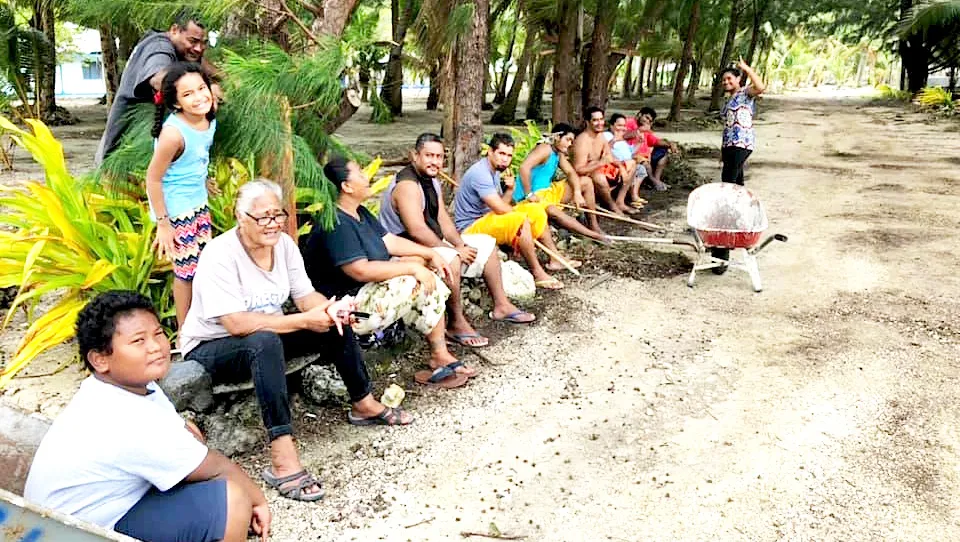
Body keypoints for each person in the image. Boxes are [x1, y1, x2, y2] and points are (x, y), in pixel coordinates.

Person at [181, 179, 413, 503]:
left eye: (277, 215)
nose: (272, 224)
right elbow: (236, 324)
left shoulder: (285, 245)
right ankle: (282, 457)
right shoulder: (220, 254)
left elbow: (305, 297)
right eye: (263, 217)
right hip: (212, 349)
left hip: (265, 338)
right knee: (263, 341)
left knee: (332, 322)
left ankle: (363, 403)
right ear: (240, 216)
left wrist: (330, 309)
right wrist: (304, 320)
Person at [24, 291, 271, 542]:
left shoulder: (127, 387)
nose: (155, 347)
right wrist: (257, 499)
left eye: (158, 334)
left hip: (99, 514)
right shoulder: (125, 418)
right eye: (138, 341)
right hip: (74, 533)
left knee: (191, 436)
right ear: (100, 359)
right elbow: (214, 466)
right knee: (233, 499)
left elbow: (186, 434)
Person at [302, 155, 475, 389]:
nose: (367, 178)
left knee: (425, 271)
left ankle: (439, 353)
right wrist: (414, 267)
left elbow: (388, 241)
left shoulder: (360, 212)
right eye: (360, 174)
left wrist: (430, 253)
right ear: (346, 186)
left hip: (368, 295)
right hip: (349, 313)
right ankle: (426, 347)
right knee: (412, 279)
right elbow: (360, 270)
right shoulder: (336, 223)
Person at [380, 133, 536, 340]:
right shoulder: (407, 185)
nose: (435, 161)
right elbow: (417, 229)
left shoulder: (431, 179)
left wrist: (460, 244)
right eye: (429, 156)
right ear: (415, 156)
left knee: (485, 245)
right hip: (406, 249)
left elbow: (443, 219)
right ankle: (456, 322)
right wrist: (453, 250)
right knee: (451, 258)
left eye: (439, 157)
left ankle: (501, 305)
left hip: (429, 242)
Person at [145, 62, 217, 331]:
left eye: (201, 88)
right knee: (186, 273)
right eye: (188, 94)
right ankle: (187, 331)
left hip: (197, 202)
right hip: (176, 210)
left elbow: (194, 158)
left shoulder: (207, 116)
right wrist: (164, 224)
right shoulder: (173, 135)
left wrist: (204, 179)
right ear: (175, 103)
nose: (199, 97)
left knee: (202, 266)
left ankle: (202, 320)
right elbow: (152, 178)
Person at [95, 12, 219, 165]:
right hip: (122, 155)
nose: (198, 48)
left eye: (203, 43)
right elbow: (158, 79)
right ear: (174, 30)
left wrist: (228, 80)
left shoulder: (184, 50)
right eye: (192, 41)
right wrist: (205, 90)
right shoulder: (159, 47)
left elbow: (204, 65)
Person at [454, 133, 566, 290]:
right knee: (520, 219)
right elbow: (500, 208)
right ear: (490, 152)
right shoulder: (480, 173)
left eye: (508, 155)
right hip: (471, 227)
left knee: (535, 209)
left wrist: (511, 189)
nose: (505, 159)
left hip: (489, 218)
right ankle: (537, 272)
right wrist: (518, 214)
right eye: (501, 153)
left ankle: (554, 258)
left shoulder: (494, 170)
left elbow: (500, 204)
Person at [517, 123, 611, 240]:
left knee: (586, 182)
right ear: (557, 137)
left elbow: (571, 172)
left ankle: (594, 225)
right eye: (568, 139)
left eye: (571, 141)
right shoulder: (544, 149)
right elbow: (524, 167)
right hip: (530, 197)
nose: (570, 144)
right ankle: (594, 235)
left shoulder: (557, 153)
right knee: (553, 211)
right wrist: (529, 194)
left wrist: (577, 193)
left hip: (548, 192)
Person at [573, 106, 636, 216]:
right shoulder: (582, 141)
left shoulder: (601, 135)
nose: (599, 123)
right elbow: (578, 169)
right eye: (595, 120)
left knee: (632, 163)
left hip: (603, 168)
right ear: (587, 122)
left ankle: (620, 201)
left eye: (601, 119)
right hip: (590, 173)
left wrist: (621, 167)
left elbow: (609, 156)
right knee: (599, 177)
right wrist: (600, 163)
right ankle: (612, 207)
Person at [720, 59, 765, 186]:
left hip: (741, 143)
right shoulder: (728, 100)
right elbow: (728, 126)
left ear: (738, 79)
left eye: (729, 78)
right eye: (723, 80)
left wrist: (747, 69)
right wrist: (722, 151)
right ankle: (742, 204)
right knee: (736, 180)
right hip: (729, 145)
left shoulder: (745, 93)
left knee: (728, 179)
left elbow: (760, 88)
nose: (726, 82)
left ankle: (730, 205)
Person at [624, 107, 679, 191]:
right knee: (646, 163)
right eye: (646, 117)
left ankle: (657, 180)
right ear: (639, 114)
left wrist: (670, 144)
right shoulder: (629, 122)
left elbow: (654, 141)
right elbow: (623, 136)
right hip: (632, 155)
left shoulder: (645, 128)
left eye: (650, 120)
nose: (647, 121)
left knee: (663, 152)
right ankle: (653, 181)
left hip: (646, 156)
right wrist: (640, 130)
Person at [603, 113, 639, 208]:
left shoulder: (623, 140)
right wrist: (615, 139)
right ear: (611, 126)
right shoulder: (606, 135)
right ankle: (621, 201)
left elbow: (630, 152)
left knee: (638, 166)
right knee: (634, 165)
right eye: (619, 125)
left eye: (624, 126)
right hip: (611, 166)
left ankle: (631, 197)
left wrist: (639, 143)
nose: (622, 128)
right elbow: (605, 151)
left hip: (625, 164)